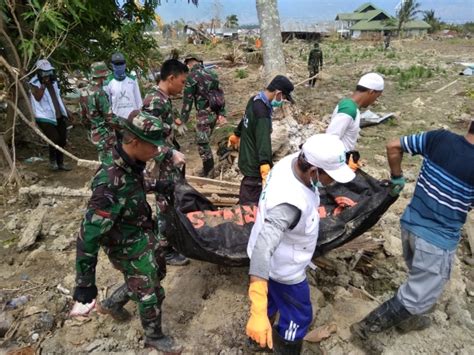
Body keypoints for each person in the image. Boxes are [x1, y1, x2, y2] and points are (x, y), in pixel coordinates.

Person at [350, 121, 474, 348]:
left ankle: (408, 318)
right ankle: (365, 329)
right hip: (436, 242)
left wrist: (397, 177)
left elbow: (393, 145)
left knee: (419, 275)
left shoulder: (440, 138)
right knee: (418, 294)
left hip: (410, 226)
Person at [73, 110, 185, 353]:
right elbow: (88, 235)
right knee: (150, 292)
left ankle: (113, 303)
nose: (157, 152)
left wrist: (157, 185)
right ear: (135, 142)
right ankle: (154, 335)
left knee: (156, 272)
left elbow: (134, 184)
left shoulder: (132, 163)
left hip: (142, 232)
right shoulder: (108, 184)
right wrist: (84, 282)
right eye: (154, 147)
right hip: (124, 244)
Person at [246, 134, 356, 353]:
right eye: (330, 177)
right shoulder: (288, 204)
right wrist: (256, 309)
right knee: (298, 314)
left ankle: (257, 338)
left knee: (272, 298)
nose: (332, 182)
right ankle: (286, 346)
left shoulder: (294, 161)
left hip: (277, 258)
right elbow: (263, 246)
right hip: (284, 267)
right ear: (314, 171)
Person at [143, 59, 190, 266]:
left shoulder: (163, 98)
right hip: (159, 163)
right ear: (171, 78)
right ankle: (165, 250)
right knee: (164, 204)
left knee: (171, 200)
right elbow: (146, 139)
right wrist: (170, 153)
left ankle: (172, 239)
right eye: (181, 82)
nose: (183, 86)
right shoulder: (155, 101)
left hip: (166, 161)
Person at [228, 75, 295, 205]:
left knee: (248, 190)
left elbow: (245, 118)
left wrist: (236, 134)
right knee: (251, 200)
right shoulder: (262, 113)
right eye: (284, 98)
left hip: (246, 156)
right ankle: (245, 217)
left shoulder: (254, 100)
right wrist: (265, 164)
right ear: (278, 93)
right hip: (255, 163)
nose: (283, 101)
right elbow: (263, 141)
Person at [180, 54, 227, 177]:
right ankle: (215, 167)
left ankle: (209, 171)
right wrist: (222, 113)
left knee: (202, 144)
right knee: (210, 140)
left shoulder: (191, 77)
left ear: (189, 63)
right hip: (214, 112)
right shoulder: (212, 73)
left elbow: (187, 100)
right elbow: (220, 94)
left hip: (203, 114)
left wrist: (182, 119)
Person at [326, 72, 384, 169]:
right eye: (376, 97)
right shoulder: (349, 110)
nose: (375, 101)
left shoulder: (350, 107)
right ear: (371, 92)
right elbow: (331, 139)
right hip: (338, 164)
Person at [29, 59, 71, 171]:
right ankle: (53, 163)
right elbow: (37, 98)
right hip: (44, 116)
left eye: (49, 72)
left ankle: (60, 163)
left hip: (57, 113)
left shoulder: (54, 82)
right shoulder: (34, 83)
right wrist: (43, 85)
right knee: (54, 139)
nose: (47, 75)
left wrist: (66, 111)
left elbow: (58, 97)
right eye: (44, 72)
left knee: (62, 139)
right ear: (39, 72)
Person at [80, 61, 117, 165]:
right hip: (104, 134)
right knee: (108, 163)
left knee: (102, 158)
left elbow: (83, 116)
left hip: (94, 132)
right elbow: (109, 117)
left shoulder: (84, 91)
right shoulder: (99, 93)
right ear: (103, 76)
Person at [104, 52, 143, 120]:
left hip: (133, 119)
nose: (119, 66)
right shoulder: (108, 81)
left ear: (125, 64)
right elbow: (108, 105)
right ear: (112, 65)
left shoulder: (132, 79)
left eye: (121, 63)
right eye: (117, 64)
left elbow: (138, 101)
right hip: (117, 120)